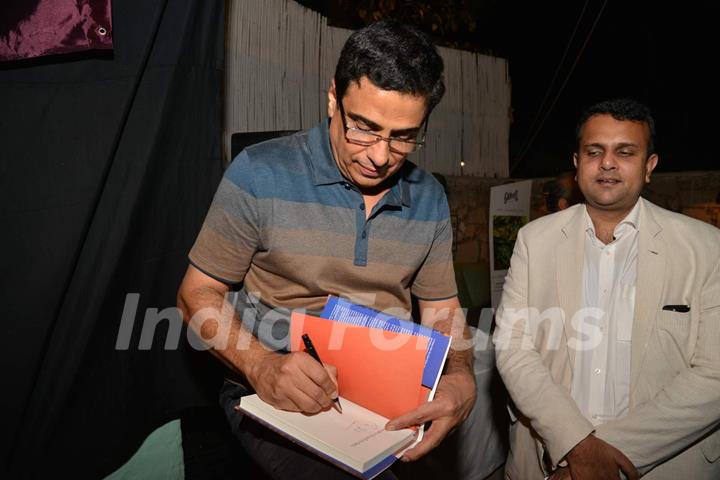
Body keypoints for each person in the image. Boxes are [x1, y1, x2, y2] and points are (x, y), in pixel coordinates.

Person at [177, 20, 476, 480]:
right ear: (333, 97)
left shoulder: (429, 196)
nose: (380, 156)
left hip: (385, 396)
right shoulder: (259, 173)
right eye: (364, 128)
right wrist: (262, 367)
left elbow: (442, 312)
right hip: (273, 389)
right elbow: (196, 295)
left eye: (403, 136)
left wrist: (461, 376)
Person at [493, 98, 720, 480]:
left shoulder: (706, 247)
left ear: (650, 167)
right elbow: (513, 347)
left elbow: (714, 374)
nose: (608, 163)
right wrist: (575, 443)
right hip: (549, 462)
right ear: (577, 162)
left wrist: (609, 454)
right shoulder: (536, 240)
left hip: (662, 467)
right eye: (594, 151)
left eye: (625, 152)